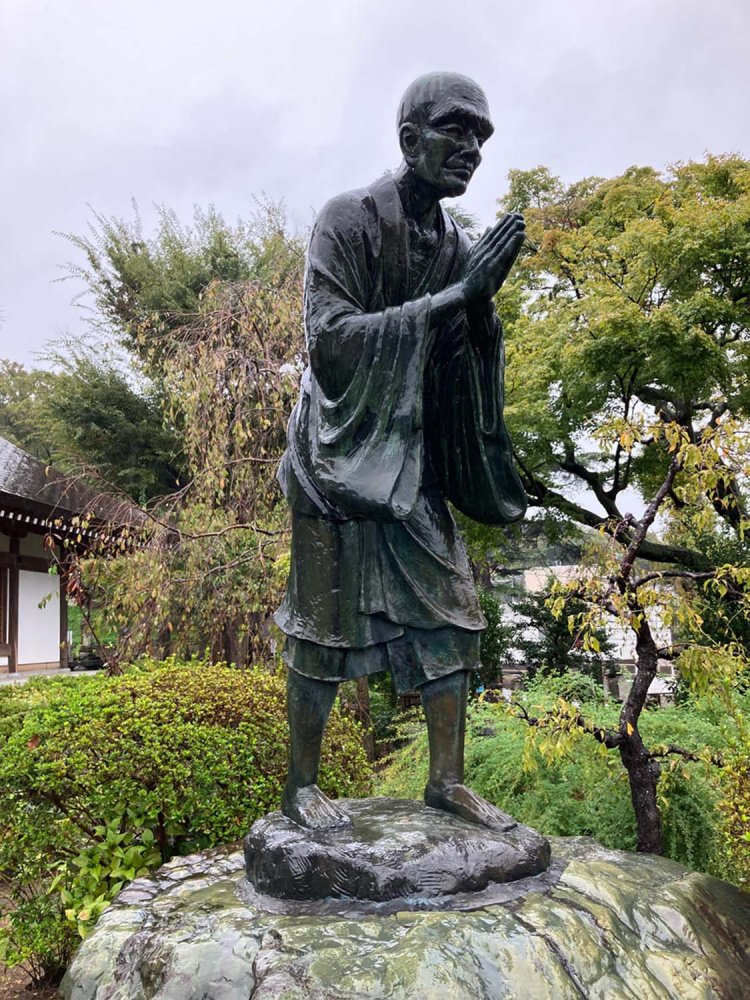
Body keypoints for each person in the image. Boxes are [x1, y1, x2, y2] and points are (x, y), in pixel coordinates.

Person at [274, 71, 527, 831]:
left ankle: (446, 781)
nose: (472, 149)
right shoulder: (345, 219)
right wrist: (457, 296)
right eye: (457, 130)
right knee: (321, 625)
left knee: (453, 611)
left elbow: (453, 364)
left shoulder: (454, 245)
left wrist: (479, 316)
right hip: (337, 456)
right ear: (409, 138)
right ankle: (300, 786)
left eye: (482, 137)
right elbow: (332, 345)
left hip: (408, 456)